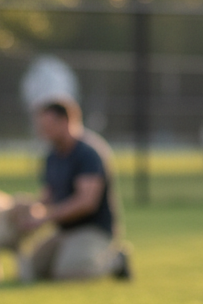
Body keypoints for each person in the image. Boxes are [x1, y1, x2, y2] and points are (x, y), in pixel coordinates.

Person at [19, 100, 131, 282]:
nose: (42, 132)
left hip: (93, 230)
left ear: (65, 121)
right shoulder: (52, 156)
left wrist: (46, 217)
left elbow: (86, 202)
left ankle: (116, 260)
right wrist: (28, 210)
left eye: (47, 126)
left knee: (71, 273)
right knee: (30, 269)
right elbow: (49, 195)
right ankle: (70, 257)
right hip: (64, 231)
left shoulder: (88, 154)